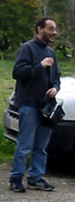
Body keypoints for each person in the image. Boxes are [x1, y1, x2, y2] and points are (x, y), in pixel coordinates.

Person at [9, 17, 61, 192]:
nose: (54, 32)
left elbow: (57, 77)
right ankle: (16, 178)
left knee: (42, 147)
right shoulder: (27, 49)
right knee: (25, 145)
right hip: (29, 104)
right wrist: (39, 65)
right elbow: (17, 73)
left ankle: (36, 178)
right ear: (39, 29)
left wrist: (55, 87)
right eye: (50, 28)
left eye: (55, 29)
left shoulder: (52, 53)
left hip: (46, 108)